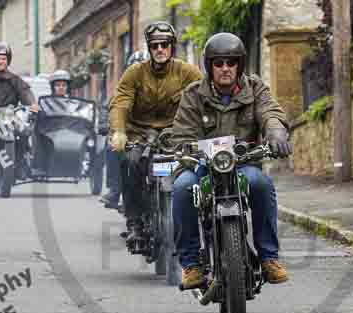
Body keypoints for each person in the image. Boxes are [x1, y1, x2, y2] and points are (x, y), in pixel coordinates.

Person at [171, 32, 291, 289]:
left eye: (231, 62)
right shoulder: (193, 94)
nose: (225, 68)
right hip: (202, 166)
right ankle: (191, 264)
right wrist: (186, 149)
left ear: (240, 64)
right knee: (182, 188)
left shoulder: (255, 88)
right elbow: (181, 133)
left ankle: (269, 258)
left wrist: (276, 130)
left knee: (261, 185)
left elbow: (269, 111)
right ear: (209, 66)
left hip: (242, 164)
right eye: (219, 63)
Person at [108, 22, 203, 246]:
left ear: (172, 47)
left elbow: (205, 99)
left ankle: (203, 217)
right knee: (130, 163)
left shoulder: (188, 72)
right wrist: (119, 131)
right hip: (140, 133)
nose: (160, 49)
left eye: (165, 45)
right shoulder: (134, 72)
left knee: (200, 166)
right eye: (155, 45)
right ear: (149, 48)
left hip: (177, 134)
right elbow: (120, 103)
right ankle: (135, 222)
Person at [100, 50, 149, 210]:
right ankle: (115, 190)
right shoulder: (122, 91)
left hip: (158, 137)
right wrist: (109, 127)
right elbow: (112, 109)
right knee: (113, 148)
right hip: (131, 137)